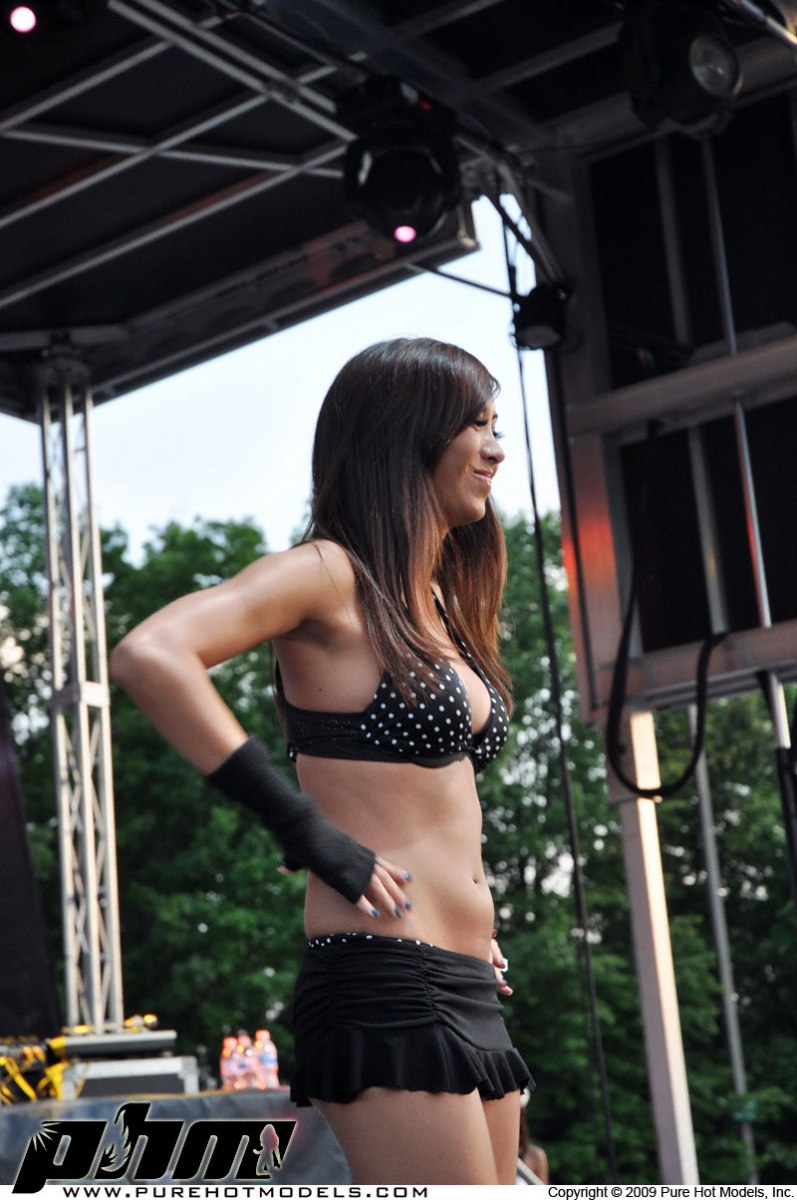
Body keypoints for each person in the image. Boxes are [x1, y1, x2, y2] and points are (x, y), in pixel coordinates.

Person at [111, 337, 532, 1184]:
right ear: (405, 434)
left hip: (466, 979)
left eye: (497, 427)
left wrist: (472, 924)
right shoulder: (328, 574)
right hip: (386, 976)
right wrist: (303, 830)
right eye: (475, 425)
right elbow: (151, 653)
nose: (495, 448)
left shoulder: (437, 602)